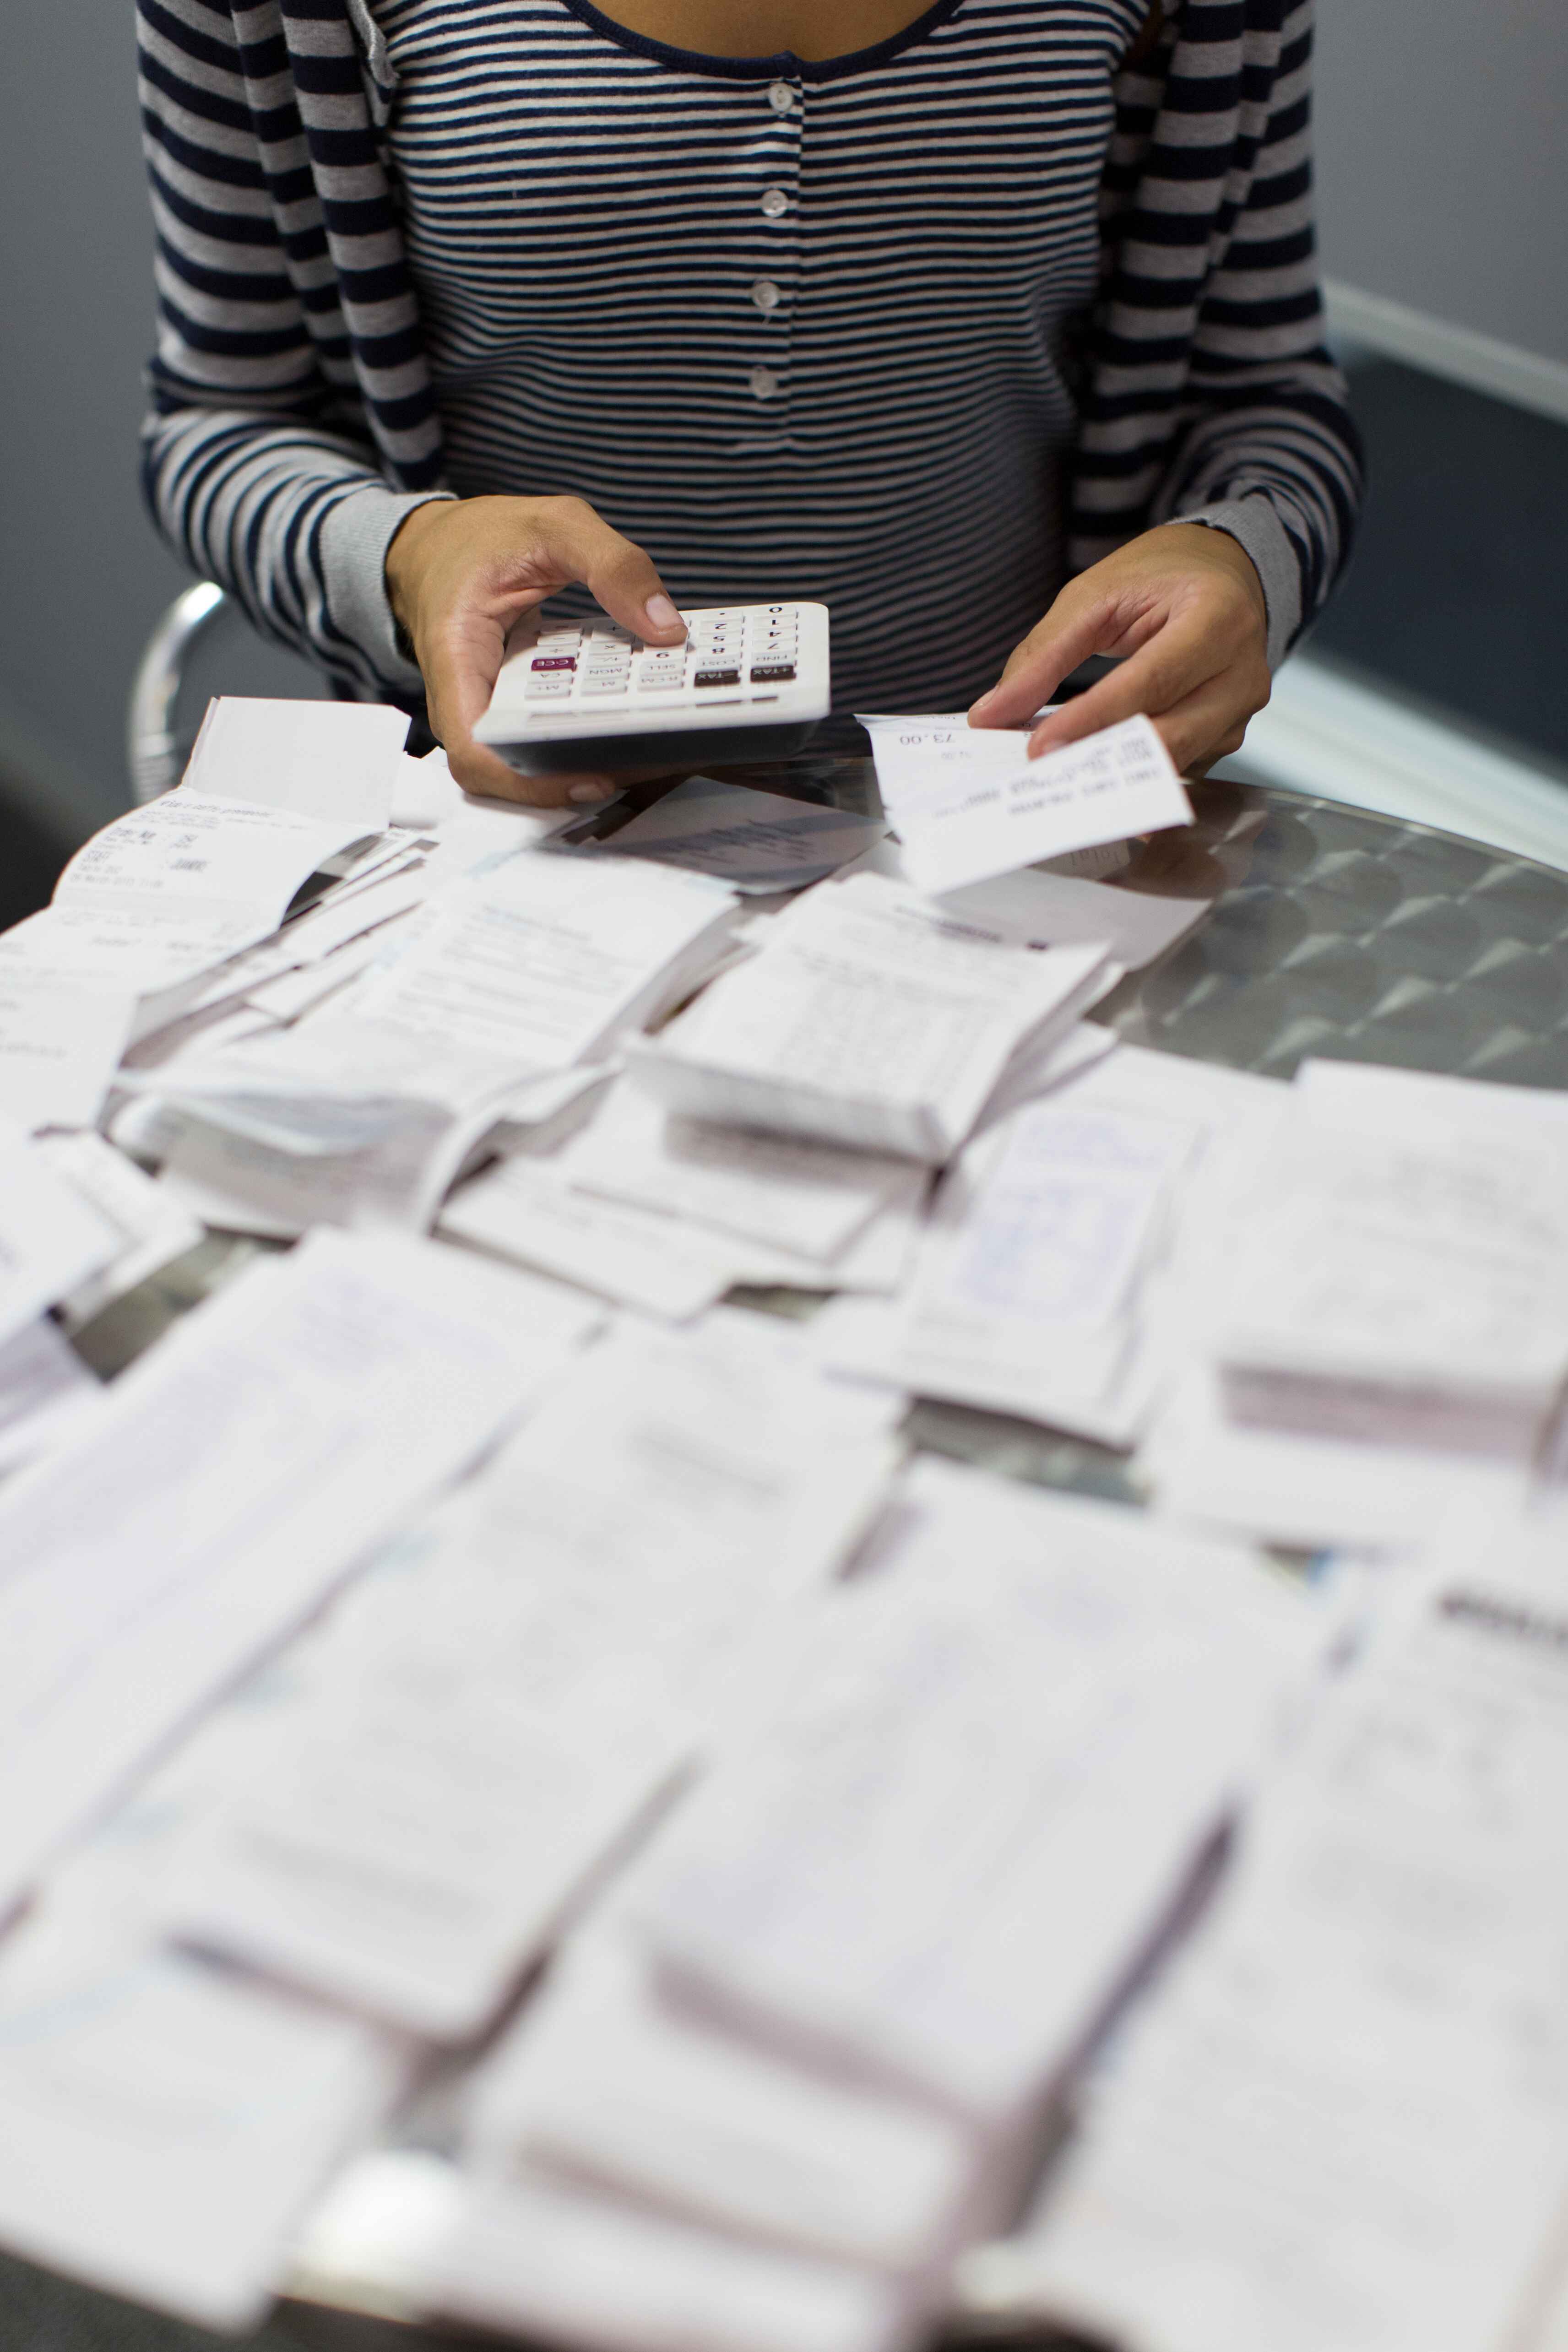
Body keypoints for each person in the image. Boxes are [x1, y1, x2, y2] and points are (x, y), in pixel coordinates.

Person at [136, 0, 1361, 809]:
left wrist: (1241, 558)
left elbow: (1258, 393)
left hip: (1005, 836)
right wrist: (404, 556)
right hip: (502, 863)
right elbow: (216, 420)